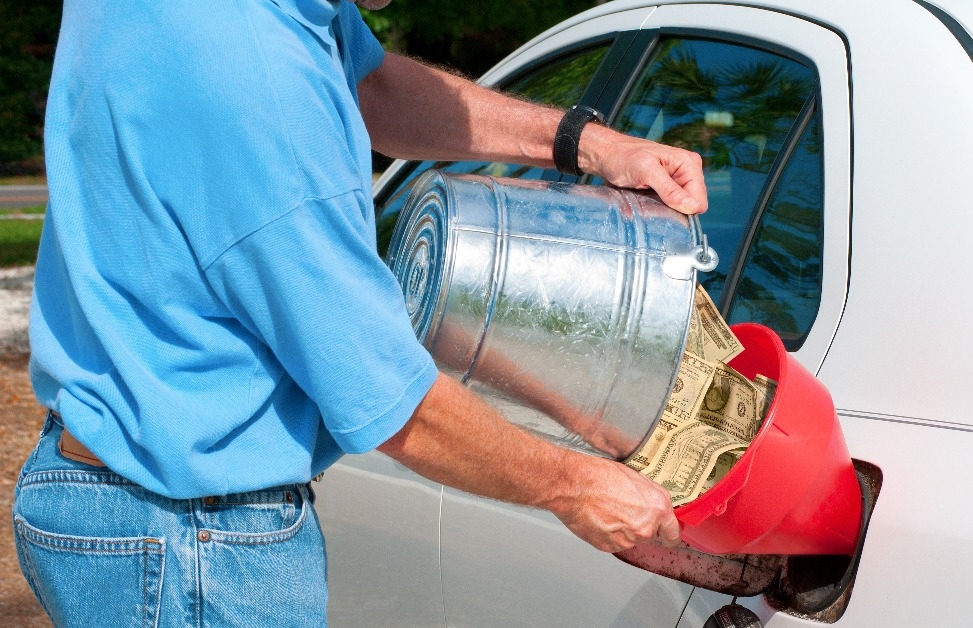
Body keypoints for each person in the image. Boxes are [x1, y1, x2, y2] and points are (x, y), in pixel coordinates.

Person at [11, 0, 708, 625]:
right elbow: (389, 399)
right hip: (193, 544)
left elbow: (368, 83)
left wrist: (592, 145)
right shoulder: (262, 100)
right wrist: (576, 486)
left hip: (108, 491)